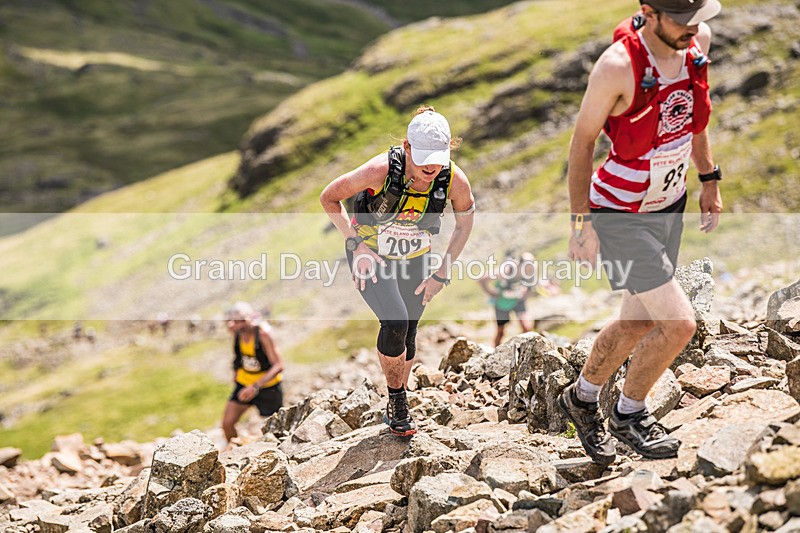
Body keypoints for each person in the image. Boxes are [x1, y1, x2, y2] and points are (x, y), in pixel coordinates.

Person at [559, 0, 724, 464]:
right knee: (679, 324)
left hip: (667, 206)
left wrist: (709, 178)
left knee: (639, 321)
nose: (692, 28)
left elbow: (691, 120)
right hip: (619, 213)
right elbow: (582, 144)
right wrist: (581, 224)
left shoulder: (696, 41)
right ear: (649, 12)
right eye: (681, 19)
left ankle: (580, 398)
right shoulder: (617, 66)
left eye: (697, 17)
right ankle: (629, 414)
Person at [320, 106, 475, 436]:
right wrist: (355, 245)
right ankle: (397, 402)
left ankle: (398, 398)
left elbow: (465, 224)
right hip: (371, 254)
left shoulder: (454, 179)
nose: (431, 168)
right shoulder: (380, 169)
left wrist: (441, 274)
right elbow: (329, 198)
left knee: (409, 331)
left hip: (416, 257)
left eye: (438, 159)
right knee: (395, 321)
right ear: (406, 147)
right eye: (423, 160)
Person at [222, 301, 284, 443]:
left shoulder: (263, 334)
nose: (240, 325)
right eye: (236, 321)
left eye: (243, 321)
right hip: (244, 383)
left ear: (252, 317)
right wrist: (236, 372)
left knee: (276, 431)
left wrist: (256, 386)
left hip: (268, 387)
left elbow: (279, 365)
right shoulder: (237, 331)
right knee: (227, 423)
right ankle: (235, 450)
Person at [479, 252, 535, 346]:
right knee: (501, 332)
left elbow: (530, 286)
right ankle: (495, 351)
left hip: (518, 301)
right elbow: (482, 279)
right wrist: (491, 292)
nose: (531, 268)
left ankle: (527, 349)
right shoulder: (507, 271)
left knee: (527, 327)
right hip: (502, 304)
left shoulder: (530, 272)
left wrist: (524, 294)